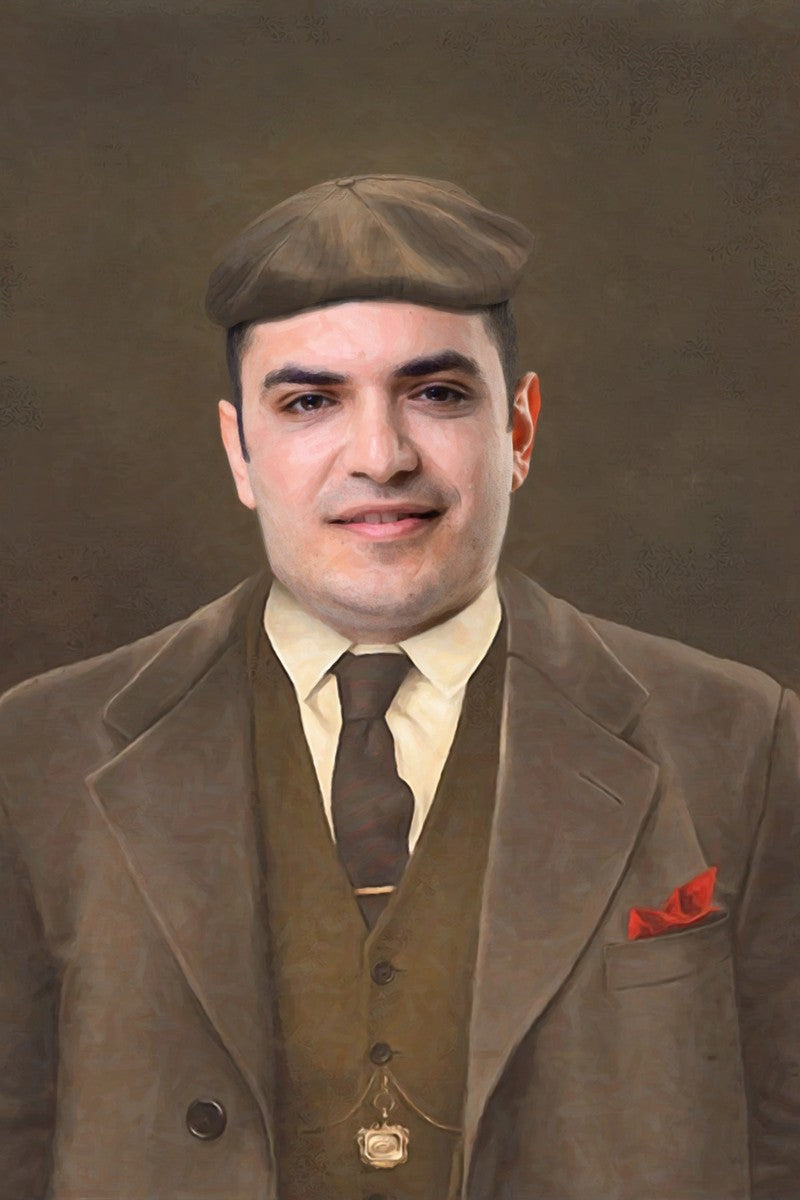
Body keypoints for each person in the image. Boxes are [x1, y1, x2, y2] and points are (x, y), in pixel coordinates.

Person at [0, 174, 798, 1200]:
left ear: (518, 429)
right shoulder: (37, 754)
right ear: (239, 449)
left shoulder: (743, 743)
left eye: (437, 393)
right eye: (309, 402)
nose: (380, 458)